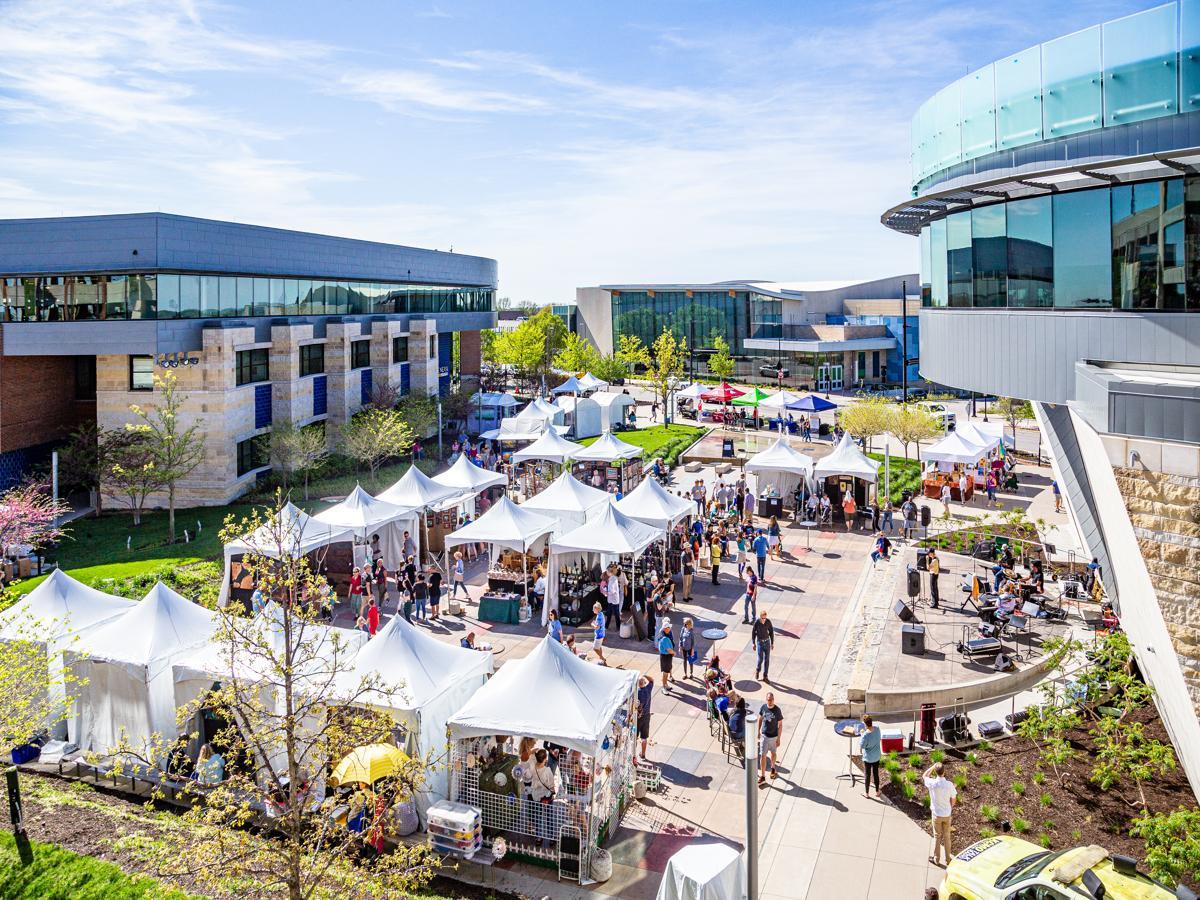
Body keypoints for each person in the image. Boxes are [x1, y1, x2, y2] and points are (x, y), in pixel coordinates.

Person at [923, 762, 958, 867]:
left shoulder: (932, 783)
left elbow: (924, 775)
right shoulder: (949, 785)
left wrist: (932, 767)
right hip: (946, 815)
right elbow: (954, 798)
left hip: (936, 815)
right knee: (947, 837)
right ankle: (948, 860)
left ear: (936, 772)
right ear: (944, 771)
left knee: (937, 837)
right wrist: (950, 807)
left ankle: (936, 859)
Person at [757, 693, 784, 787]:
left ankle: (773, 768)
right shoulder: (763, 707)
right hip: (764, 736)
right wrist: (758, 731)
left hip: (773, 736)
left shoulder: (777, 710)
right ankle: (762, 776)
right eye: (768, 699)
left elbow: (780, 725)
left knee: (773, 753)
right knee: (763, 756)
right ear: (766, 699)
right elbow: (760, 719)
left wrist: (779, 738)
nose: (770, 701)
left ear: (774, 699)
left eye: (771, 699)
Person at [859, 714, 882, 799]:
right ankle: (877, 791)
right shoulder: (877, 729)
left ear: (865, 724)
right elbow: (878, 738)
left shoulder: (865, 735)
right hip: (876, 756)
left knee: (867, 775)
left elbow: (863, 746)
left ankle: (867, 793)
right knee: (876, 774)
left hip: (868, 759)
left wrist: (862, 734)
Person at [752, 609, 775, 682]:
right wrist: (753, 643)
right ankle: (758, 670)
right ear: (760, 617)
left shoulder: (768, 622)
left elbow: (771, 632)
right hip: (760, 643)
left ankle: (765, 676)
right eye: (762, 618)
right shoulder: (757, 623)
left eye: (765, 618)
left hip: (767, 642)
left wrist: (772, 643)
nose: (764, 620)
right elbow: (753, 633)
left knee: (767, 660)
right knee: (760, 659)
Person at [635, 674, 653, 762]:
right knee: (644, 737)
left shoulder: (636, 693)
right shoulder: (648, 689)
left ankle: (633, 754)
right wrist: (645, 675)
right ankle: (643, 754)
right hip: (646, 716)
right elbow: (652, 680)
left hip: (637, 717)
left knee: (634, 736)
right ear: (644, 683)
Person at [657, 620, 676, 690]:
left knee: (666, 672)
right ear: (665, 629)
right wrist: (674, 653)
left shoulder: (663, 634)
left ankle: (665, 684)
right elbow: (669, 650)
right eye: (668, 628)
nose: (670, 629)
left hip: (665, 656)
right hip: (666, 657)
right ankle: (664, 686)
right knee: (665, 673)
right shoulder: (665, 638)